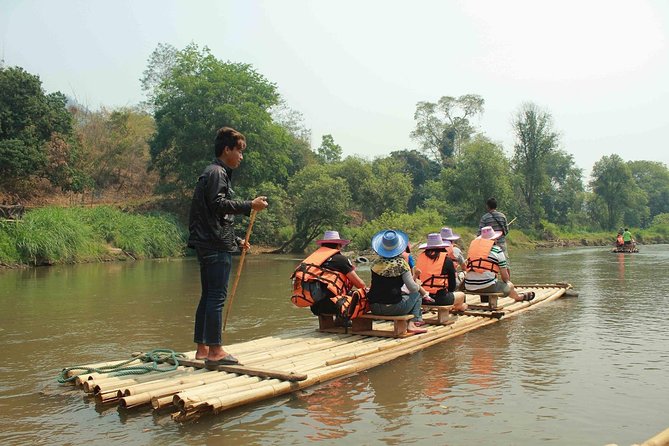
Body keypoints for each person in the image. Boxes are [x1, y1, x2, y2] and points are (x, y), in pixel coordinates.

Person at [187, 126, 269, 367]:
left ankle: (202, 349)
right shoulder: (217, 173)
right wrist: (249, 205)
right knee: (216, 296)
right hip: (213, 246)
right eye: (239, 151)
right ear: (227, 149)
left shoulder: (213, 173)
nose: (241, 157)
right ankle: (215, 351)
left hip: (211, 242)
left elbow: (212, 217)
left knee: (208, 296)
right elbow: (218, 204)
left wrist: (235, 241)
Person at [290, 230, 366, 319]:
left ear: (323, 245)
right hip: (335, 306)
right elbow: (360, 285)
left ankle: (334, 320)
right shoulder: (341, 260)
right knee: (362, 295)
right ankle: (346, 320)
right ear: (338, 245)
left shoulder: (314, 260)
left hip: (315, 307)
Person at [367, 229, 427, 334]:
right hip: (394, 308)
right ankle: (414, 322)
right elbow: (412, 288)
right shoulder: (401, 264)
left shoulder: (375, 263)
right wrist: (418, 286)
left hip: (374, 306)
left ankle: (414, 321)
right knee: (417, 294)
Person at [464, 226, 535, 302]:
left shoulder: (473, 250)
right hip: (487, 287)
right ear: (494, 239)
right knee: (509, 285)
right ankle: (518, 297)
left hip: (469, 286)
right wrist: (506, 282)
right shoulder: (497, 250)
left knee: (486, 278)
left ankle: (485, 299)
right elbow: (505, 277)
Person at [416, 233, 468, 311]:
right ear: (442, 246)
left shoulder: (420, 258)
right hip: (441, 299)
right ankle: (458, 307)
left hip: (422, 298)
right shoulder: (447, 260)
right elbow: (452, 287)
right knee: (462, 295)